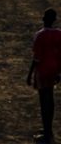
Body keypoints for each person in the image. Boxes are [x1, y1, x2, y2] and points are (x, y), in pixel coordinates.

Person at [28, 8, 61, 143]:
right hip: (54, 70)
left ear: (43, 19)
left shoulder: (40, 35)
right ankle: (49, 130)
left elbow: (36, 58)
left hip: (42, 71)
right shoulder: (59, 34)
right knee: (51, 100)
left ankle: (46, 134)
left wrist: (29, 75)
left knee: (43, 100)